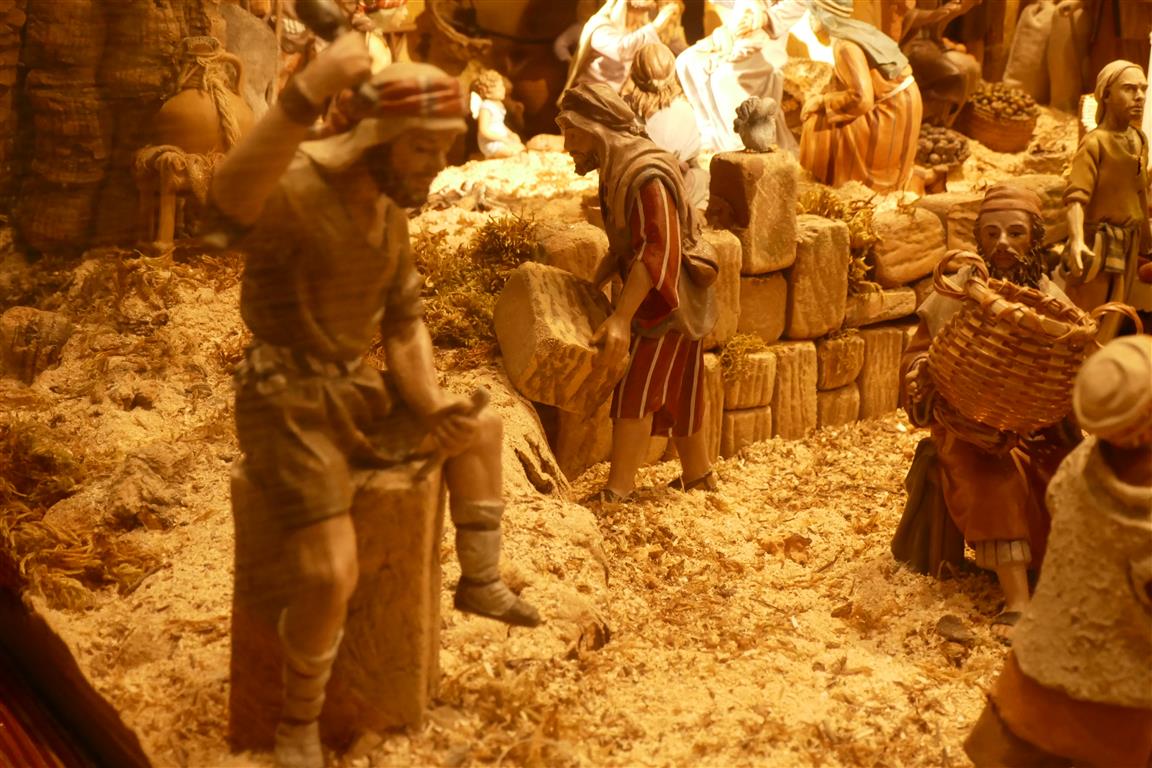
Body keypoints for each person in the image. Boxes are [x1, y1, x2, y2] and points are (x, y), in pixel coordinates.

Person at [208, 38, 540, 768]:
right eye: (422, 149)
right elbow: (227, 200)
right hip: (286, 402)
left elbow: (405, 323)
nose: (434, 166)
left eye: (440, 150)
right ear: (377, 137)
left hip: (353, 390)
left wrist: (429, 402)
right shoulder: (296, 185)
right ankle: (298, 721)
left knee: (480, 426)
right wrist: (304, 95)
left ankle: (481, 580)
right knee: (330, 571)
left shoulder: (387, 215)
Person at [898, 183, 1079, 642]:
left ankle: (1063, 579)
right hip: (968, 422)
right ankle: (1017, 600)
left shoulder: (1051, 300)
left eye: (1015, 233)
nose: (1002, 244)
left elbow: (1071, 369)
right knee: (993, 475)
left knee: (1069, 472)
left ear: (1034, 239)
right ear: (977, 239)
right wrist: (920, 375)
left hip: (1035, 423)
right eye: (992, 233)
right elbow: (918, 354)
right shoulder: (957, 292)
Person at [964, 334, 1152, 768]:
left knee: (1025, 736)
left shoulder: (1081, 464)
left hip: (1044, 654)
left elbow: (1055, 501)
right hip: (1114, 692)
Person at [556, 83, 718, 502]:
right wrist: (593, 284)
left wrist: (622, 318)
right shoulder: (617, 170)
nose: (567, 146)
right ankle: (699, 475)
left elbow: (657, 249)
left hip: (666, 301)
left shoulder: (645, 175)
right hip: (656, 294)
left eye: (571, 132)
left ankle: (619, 490)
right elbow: (626, 245)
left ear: (595, 127)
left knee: (636, 392)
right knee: (683, 389)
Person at [1062, 60, 1152, 342]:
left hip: (1129, 243)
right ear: (1107, 94)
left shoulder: (1139, 139)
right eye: (1129, 89)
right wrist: (1077, 240)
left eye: (1143, 89)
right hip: (1098, 246)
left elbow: (1140, 190)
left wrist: (1146, 239)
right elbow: (1076, 198)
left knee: (1116, 313)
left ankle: (1103, 361)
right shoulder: (1095, 143)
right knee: (1086, 314)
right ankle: (1075, 363)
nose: (1139, 96)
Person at [798, 0, 923, 193]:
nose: (810, 23)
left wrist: (822, 101)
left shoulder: (844, 46)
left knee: (817, 122)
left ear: (822, 18)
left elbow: (862, 99)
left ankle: (837, 185)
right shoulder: (858, 31)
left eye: (812, 16)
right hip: (904, 102)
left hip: (891, 111)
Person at [676, 0, 805, 153]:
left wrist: (765, 18)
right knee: (686, 61)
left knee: (725, 77)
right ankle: (710, 133)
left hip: (766, 38)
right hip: (736, 30)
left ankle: (738, 141)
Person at [622, 42, 708, 212]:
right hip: (671, 189)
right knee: (704, 178)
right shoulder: (684, 108)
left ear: (635, 73)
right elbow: (692, 155)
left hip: (634, 192)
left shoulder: (623, 110)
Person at [562, 0, 681, 96]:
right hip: (591, 97)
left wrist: (671, 24)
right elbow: (621, 50)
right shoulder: (600, 24)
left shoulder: (642, 28)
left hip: (619, 99)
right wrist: (657, 25)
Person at [469, 69, 525, 159]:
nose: (503, 90)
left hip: (501, 139)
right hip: (491, 142)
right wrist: (503, 138)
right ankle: (493, 155)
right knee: (515, 152)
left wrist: (510, 134)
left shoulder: (499, 105)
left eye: (503, 87)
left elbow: (500, 124)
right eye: (499, 89)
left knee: (521, 147)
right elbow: (484, 130)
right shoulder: (486, 107)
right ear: (487, 93)